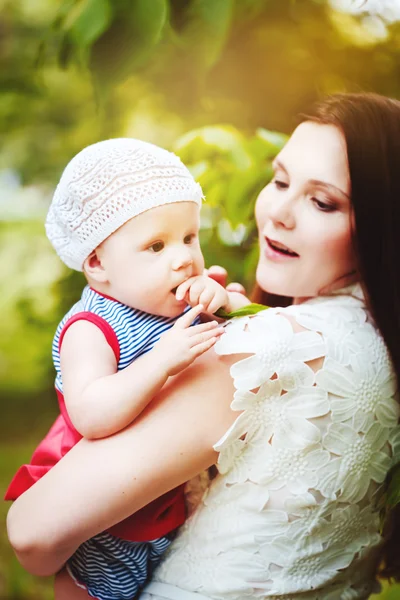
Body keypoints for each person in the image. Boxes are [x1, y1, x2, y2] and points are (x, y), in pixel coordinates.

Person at [7, 92, 400, 600]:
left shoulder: (270, 351)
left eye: (321, 201)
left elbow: (33, 533)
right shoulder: (377, 342)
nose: (278, 211)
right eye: (279, 180)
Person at [4, 138, 249, 600]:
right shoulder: (91, 328)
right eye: (156, 245)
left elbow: (231, 330)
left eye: (189, 238)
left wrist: (223, 301)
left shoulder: (171, 295)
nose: (182, 257)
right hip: (103, 522)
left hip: (162, 497)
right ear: (97, 263)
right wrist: (162, 360)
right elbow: (92, 414)